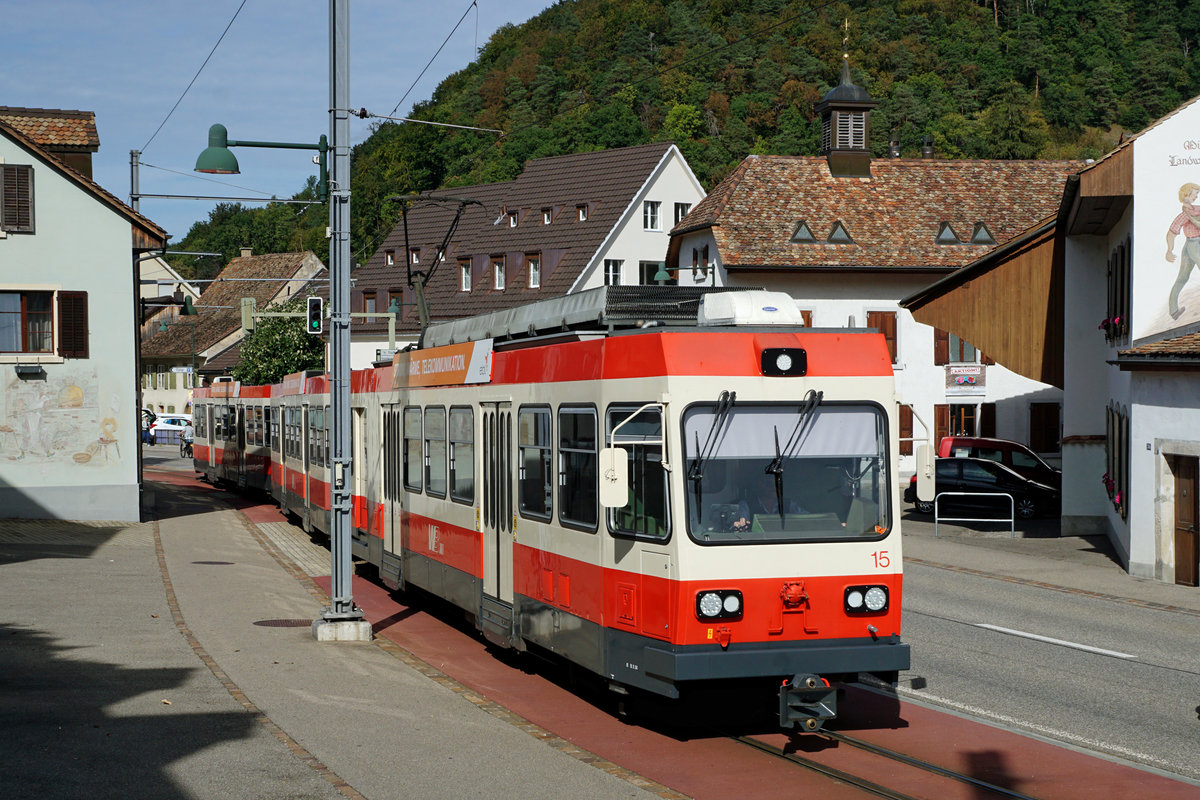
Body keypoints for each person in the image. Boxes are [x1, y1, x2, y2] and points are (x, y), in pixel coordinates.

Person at [1165, 182, 1200, 320]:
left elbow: (1172, 232)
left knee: (1182, 277)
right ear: (1187, 194)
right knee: (1182, 277)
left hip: (1189, 245)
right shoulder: (1188, 213)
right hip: (1195, 245)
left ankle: (1173, 310)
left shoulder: (1190, 211)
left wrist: (1169, 250)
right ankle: (1173, 309)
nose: (1197, 195)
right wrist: (1169, 250)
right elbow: (1172, 232)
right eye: (1195, 193)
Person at [732, 482, 803, 532]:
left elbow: (806, 518)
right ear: (757, 485)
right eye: (767, 482)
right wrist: (740, 525)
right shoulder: (746, 504)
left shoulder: (788, 504)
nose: (772, 486)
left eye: (775, 482)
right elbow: (742, 523)